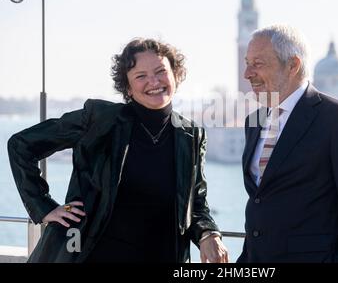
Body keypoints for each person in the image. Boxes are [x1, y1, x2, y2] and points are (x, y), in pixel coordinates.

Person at [8, 38, 228, 263]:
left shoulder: (191, 135)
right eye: (140, 76)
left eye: (161, 71)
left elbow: (196, 203)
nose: (153, 81)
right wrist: (43, 206)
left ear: (175, 75)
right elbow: (21, 145)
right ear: (128, 87)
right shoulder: (99, 119)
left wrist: (209, 234)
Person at [237, 25, 338, 263]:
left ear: (293, 65)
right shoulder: (254, 121)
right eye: (247, 62)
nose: (247, 73)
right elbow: (261, 202)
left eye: (258, 64)